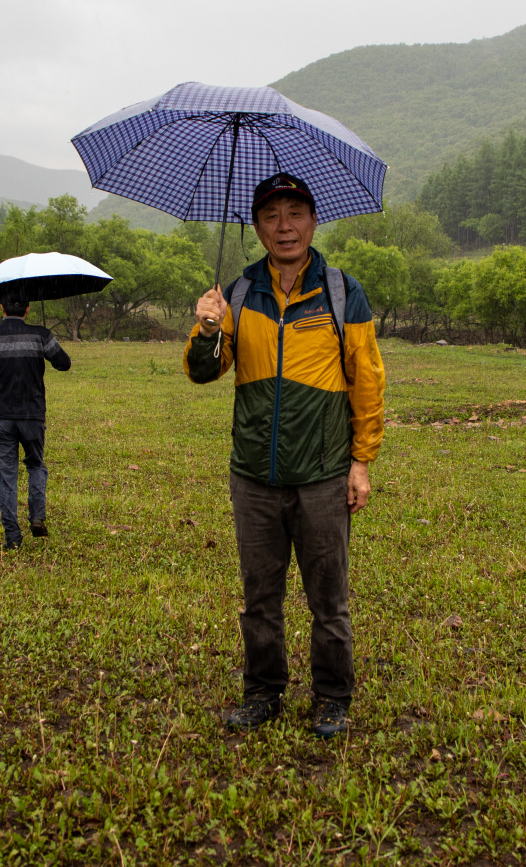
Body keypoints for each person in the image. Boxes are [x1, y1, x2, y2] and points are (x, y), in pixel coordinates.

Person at [183, 173, 385, 739]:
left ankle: (332, 698)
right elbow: (204, 372)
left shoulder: (342, 292)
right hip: (253, 474)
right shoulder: (239, 292)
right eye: (272, 216)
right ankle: (263, 693)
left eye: (295, 213)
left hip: (322, 474)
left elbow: (367, 379)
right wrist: (207, 328)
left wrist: (361, 461)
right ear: (257, 227)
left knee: (329, 597)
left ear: (314, 221)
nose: (285, 226)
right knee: (259, 597)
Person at [0, 295, 72, 549]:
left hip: (0, 417)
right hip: (32, 416)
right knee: (35, 465)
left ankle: (12, 537)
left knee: (7, 475)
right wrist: (45, 340)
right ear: (28, 309)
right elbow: (64, 364)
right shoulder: (40, 335)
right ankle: (37, 516)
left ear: (1, 308)